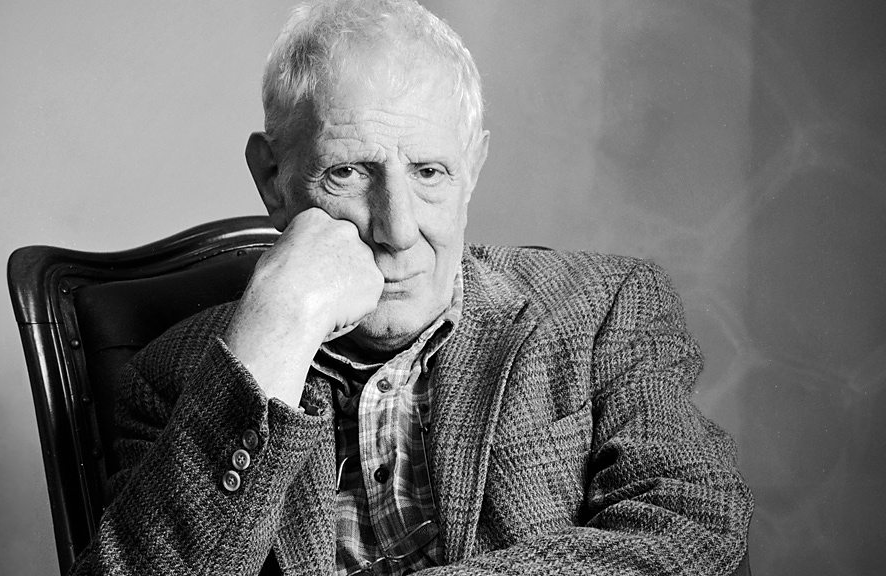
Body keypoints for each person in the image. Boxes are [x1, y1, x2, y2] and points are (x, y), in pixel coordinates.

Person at [71, 1, 753, 574]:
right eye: (348, 173)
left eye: (429, 172)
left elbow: (695, 526)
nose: (397, 230)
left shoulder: (606, 308)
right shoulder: (171, 377)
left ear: (473, 167)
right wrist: (276, 331)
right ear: (273, 179)